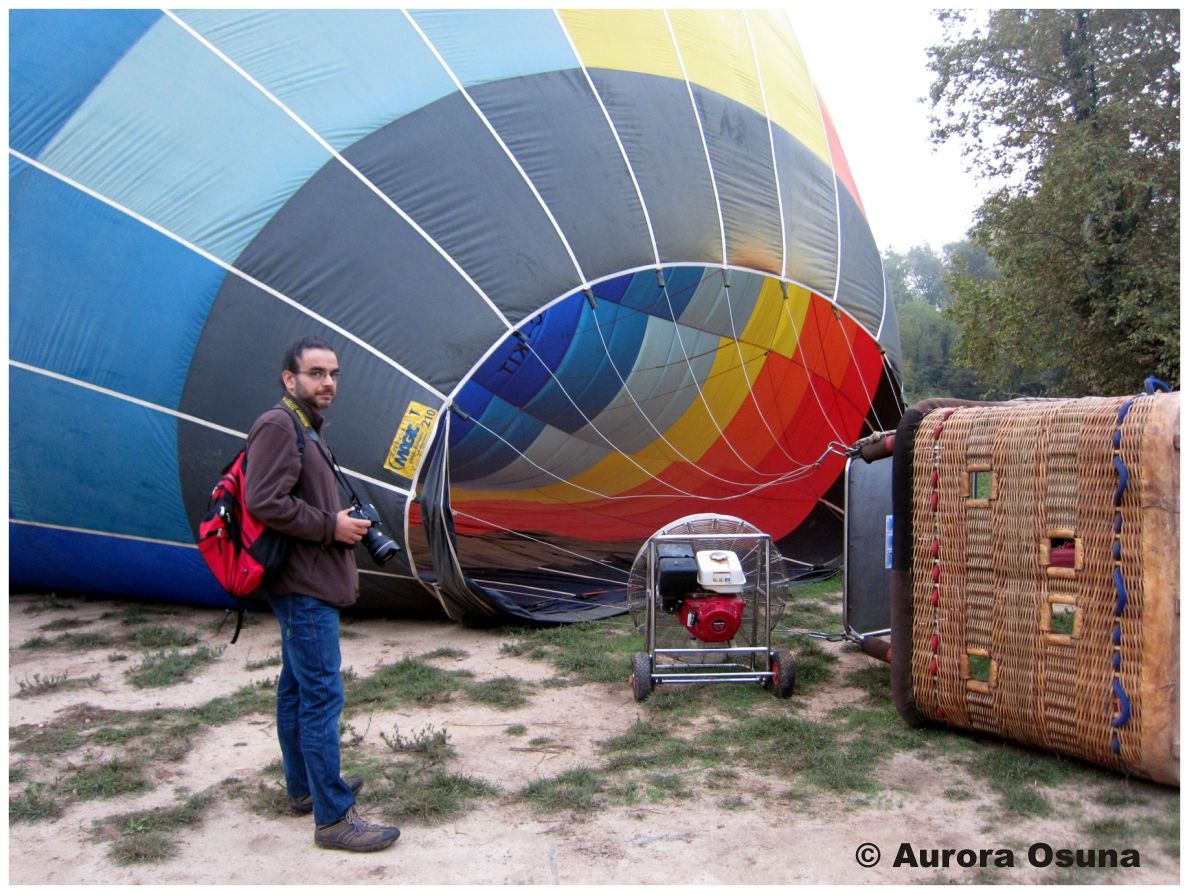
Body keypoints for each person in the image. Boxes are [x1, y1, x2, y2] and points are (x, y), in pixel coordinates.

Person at [244, 336, 401, 852]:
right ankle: (334, 819)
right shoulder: (278, 424)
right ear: (290, 379)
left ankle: (304, 790)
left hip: (304, 581)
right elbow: (264, 500)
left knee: (296, 690)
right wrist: (330, 527)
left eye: (332, 373)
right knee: (321, 697)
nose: (327, 382)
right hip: (302, 584)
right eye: (315, 373)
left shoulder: (307, 428)